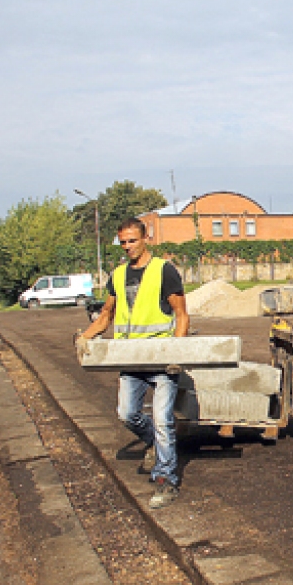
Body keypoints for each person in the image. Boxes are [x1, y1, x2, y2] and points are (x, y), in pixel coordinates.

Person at [76, 217, 190, 509]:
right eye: (123, 242)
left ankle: (166, 480)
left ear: (145, 238)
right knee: (127, 414)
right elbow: (106, 316)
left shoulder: (164, 271)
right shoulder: (117, 275)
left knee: (164, 420)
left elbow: (181, 315)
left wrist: (176, 352)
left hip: (162, 359)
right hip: (131, 359)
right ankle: (154, 442)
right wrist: (85, 337)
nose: (127, 247)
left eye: (132, 241)